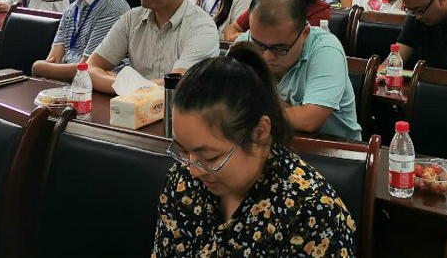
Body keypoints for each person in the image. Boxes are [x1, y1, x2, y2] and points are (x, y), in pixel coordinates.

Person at [152, 43, 357, 257]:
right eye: (184, 151)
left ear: (259, 133)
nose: (194, 170)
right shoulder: (182, 180)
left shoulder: (312, 211)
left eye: (211, 157)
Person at [88, 0, 220, 90]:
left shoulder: (201, 27)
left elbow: (176, 85)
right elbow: (91, 69)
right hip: (131, 103)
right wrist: (131, 87)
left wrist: (121, 83)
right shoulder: (132, 18)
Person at [234, 0, 361, 140]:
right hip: (270, 142)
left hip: (332, 148)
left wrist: (254, 102)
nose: (267, 56)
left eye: (279, 48)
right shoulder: (245, 44)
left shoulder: (326, 50)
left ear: (305, 34)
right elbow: (223, 101)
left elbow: (309, 120)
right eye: (259, 45)